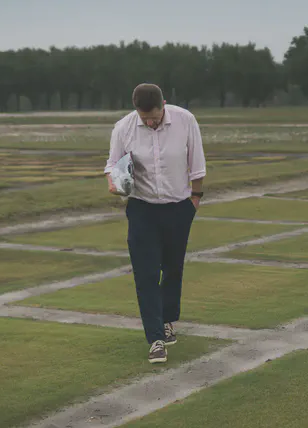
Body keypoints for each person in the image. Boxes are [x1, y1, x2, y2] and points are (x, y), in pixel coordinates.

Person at [104, 83, 206, 364]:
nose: (150, 122)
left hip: (178, 208)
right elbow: (112, 164)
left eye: (155, 117)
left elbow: (196, 163)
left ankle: (168, 319)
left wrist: (194, 201)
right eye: (144, 118)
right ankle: (155, 339)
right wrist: (114, 183)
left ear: (164, 104)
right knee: (146, 273)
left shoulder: (185, 120)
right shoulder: (124, 127)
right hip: (142, 210)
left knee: (172, 268)